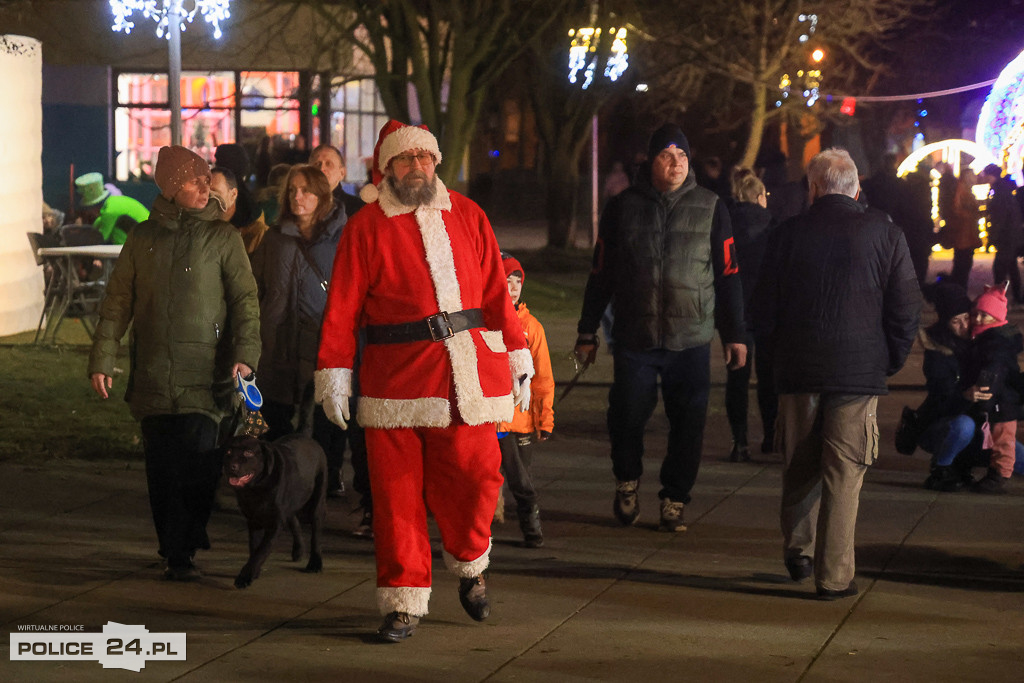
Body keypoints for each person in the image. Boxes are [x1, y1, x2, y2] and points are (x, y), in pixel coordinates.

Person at [314, 120, 533, 642]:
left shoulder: (469, 215)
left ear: (436, 162)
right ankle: (403, 600)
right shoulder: (366, 227)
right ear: (387, 167)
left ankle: (471, 561)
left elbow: (496, 294)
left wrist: (517, 350)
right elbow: (341, 307)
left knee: (479, 476)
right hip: (395, 380)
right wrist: (335, 372)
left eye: (425, 157)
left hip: (467, 374)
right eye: (405, 159)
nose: (418, 167)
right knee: (395, 497)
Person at [87, 145, 261, 581]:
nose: (206, 187)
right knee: (162, 470)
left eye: (207, 179)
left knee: (199, 467)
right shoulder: (142, 239)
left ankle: (184, 544)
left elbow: (245, 302)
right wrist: (102, 357)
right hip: (152, 376)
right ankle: (173, 546)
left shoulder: (223, 238)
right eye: (193, 180)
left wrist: (245, 356)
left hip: (205, 379)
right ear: (169, 186)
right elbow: (117, 302)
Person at [754, 148, 921, 600]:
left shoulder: (787, 234)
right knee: (844, 474)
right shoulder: (886, 234)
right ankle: (834, 576)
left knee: (799, 464)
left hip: (798, 369)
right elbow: (906, 309)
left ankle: (798, 548)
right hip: (856, 373)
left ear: (813, 188)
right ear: (856, 188)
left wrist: (774, 361)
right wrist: (886, 359)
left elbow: (763, 309)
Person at [574, 123, 747, 533]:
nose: (676, 163)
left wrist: (735, 332)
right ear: (650, 162)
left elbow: (728, 274)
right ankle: (627, 481)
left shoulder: (711, 206)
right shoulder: (623, 207)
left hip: (690, 340)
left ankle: (674, 498)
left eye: (682, 156)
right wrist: (586, 330)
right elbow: (601, 274)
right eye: (667, 156)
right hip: (635, 336)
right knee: (627, 416)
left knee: (689, 423)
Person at [249, 164, 370, 509]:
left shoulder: (347, 236)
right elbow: (255, 289)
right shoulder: (274, 238)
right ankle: (280, 493)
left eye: (306, 191)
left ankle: (330, 485)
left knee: (329, 425)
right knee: (277, 424)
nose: (298, 197)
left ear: (323, 196)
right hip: (279, 347)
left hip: (326, 347)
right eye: (292, 191)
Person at [496, 253, 554, 548]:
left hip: (524, 418)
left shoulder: (533, 328)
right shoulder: (489, 322)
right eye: (508, 280)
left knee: (523, 476)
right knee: (517, 477)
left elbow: (543, 377)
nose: (514, 286)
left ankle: (528, 524)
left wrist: (545, 419)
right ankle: (530, 528)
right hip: (499, 419)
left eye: (518, 281)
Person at [724, 168, 776, 460]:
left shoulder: (725, 223)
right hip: (766, 310)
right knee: (768, 377)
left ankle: (739, 440)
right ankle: (770, 435)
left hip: (735, 311)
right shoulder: (772, 225)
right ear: (759, 196)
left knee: (737, 378)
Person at [960, 285, 1022, 493]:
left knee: (1003, 442)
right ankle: (996, 473)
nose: (978, 320)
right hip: (1000, 400)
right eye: (976, 314)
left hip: (1002, 402)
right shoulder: (987, 338)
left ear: (996, 318)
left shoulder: (997, 342)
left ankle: (1000, 476)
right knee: (1000, 440)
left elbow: (993, 371)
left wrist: (986, 398)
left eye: (984, 316)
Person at [980, 163, 1024, 303]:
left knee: (999, 269)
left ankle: (997, 299)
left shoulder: (999, 192)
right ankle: (1016, 297)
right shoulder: (1003, 189)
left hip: (1006, 236)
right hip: (1011, 235)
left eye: (985, 174)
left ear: (990, 175)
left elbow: (1000, 218)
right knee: (1011, 267)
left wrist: (993, 237)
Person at [74, 172, 150, 245]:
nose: (88, 213)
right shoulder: (114, 202)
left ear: (93, 206)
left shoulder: (109, 212)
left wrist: (79, 232)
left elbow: (99, 239)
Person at [210, 166, 269, 254]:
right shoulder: (200, 220)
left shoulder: (256, 232)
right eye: (206, 192)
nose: (208, 198)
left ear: (233, 194)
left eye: (215, 193)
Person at [309, 143, 365, 221]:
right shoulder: (299, 205)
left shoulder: (357, 208)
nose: (321, 169)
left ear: (342, 173)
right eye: (317, 164)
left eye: (329, 164)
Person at [947, 169, 983, 290]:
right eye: (972, 175)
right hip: (964, 234)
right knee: (962, 265)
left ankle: (957, 292)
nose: (975, 177)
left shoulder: (965, 189)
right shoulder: (962, 189)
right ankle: (957, 292)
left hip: (966, 234)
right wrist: (971, 215)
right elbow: (956, 210)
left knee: (962, 265)